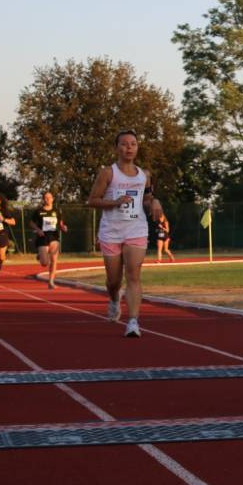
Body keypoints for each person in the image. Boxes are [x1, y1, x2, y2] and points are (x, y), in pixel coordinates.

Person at [86, 129, 164, 337]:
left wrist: (154, 202)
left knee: (133, 275)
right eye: (124, 144)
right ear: (117, 148)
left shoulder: (143, 175)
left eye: (133, 144)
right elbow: (92, 200)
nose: (129, 147)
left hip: (136, 229)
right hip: (111, 231)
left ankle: (133, 322)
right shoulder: (108, 173)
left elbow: (146, 199)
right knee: (113, 281)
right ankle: (113, 299)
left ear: (137, 148)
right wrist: (114, 202)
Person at [30, 191, 68, 289]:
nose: (48, 199)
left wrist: (63, 227)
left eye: (49, 197)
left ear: (52, 199)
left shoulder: (57, 211)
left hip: (54, 236)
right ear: (43, 199)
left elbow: (60, 223)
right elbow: (31, 223)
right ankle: (40, 255)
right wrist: (38, 230)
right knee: (44, 263)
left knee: (54, 260)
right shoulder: (38, 211)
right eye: (46, 198)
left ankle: (51, 282)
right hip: (42, 237)